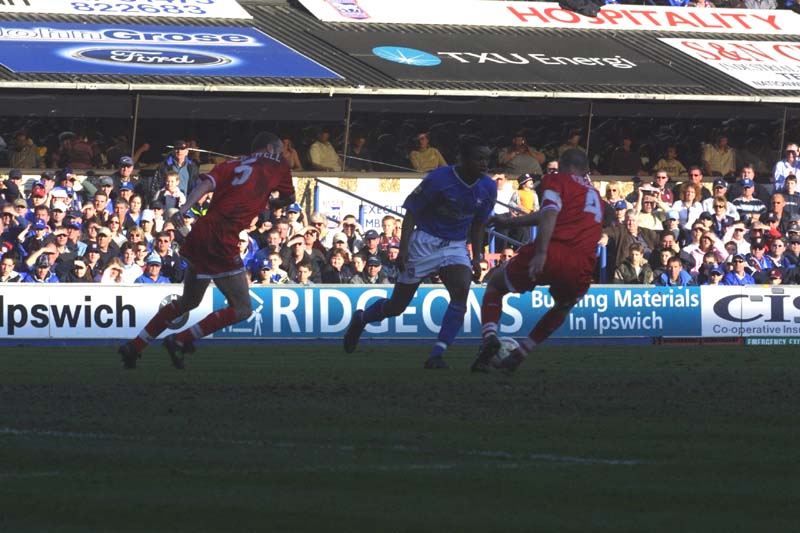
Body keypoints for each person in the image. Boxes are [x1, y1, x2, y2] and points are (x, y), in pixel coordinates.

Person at [119, 131, 296, 370]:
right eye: (281, 150)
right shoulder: (278, 163)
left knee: (188, 301)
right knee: (243, 308)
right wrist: (272, 202)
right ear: (271, 148)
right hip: (223, 238)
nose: (283, 154)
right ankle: (180, 340)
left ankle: (136, 346)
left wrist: (184, 210)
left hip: (200, 233)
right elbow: (289, 198)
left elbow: (205, 184)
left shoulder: (232, 164)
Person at [343, 135, 496, 369]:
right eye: (478, 159)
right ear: (462, 159)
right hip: (424, 242)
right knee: (397, 307)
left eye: (486, 159)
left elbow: (478, 225)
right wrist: (403, 248)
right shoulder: (439, 178)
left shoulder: (488, 187)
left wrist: (476, 257)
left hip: (455, 245)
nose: (484, 164)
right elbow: (411, 212)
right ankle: (361, 320)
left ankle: (437, 354)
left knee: (461, 294)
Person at [470, 148, 601, 374]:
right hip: (583, 262)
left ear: (561, 164)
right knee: (562, 307)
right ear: (586, 169)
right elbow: (549, 215)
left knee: (496, 285)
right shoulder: (595, 194)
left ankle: (489, 336)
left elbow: (549, 213)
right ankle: (520, 353)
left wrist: (540, 253)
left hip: (554, 250)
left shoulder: (557, 180)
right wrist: (510, 222)